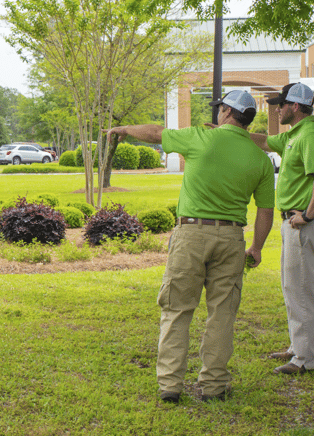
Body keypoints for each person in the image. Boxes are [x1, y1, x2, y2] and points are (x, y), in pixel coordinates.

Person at [105, 90, 275, 404]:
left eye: (220, 108)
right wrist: (257, 247)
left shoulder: (200, 138)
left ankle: (170, 385)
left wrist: (123, 130)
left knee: (177, 309)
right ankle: (213, 386)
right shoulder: (260, 159)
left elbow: (156, 133)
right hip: (232, 239)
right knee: (222, 314)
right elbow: (265, 210)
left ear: (225, 111)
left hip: (192, 235)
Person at [247, 82, 314, 375]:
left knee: (301, 290)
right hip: (293, 224)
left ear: (295, 106)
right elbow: (263, 141)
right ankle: (298, 347)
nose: (277, 108)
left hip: (303, 225)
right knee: (292, 287)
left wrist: (307, 216)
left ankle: (306, 359)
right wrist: (230, 131)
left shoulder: (309, 135)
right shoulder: (293, 136)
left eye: (281, 104)